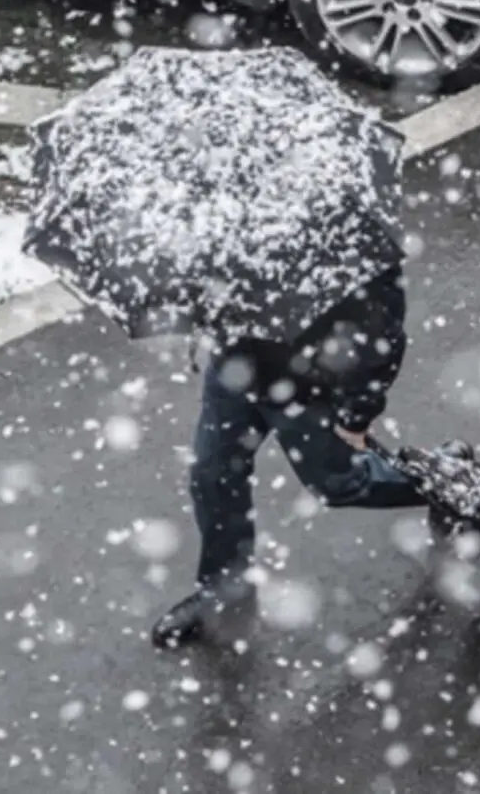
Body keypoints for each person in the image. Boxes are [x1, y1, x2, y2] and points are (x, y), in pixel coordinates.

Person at [151, 264, 426, 648]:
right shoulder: (217, 211)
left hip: (305, 384)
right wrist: (203, 319)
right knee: (213, 474)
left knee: (340, 485)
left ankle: (446, 481)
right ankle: (224, 592)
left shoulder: (334, 224)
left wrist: (357, 414)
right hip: (234, 367)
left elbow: (383, 330)